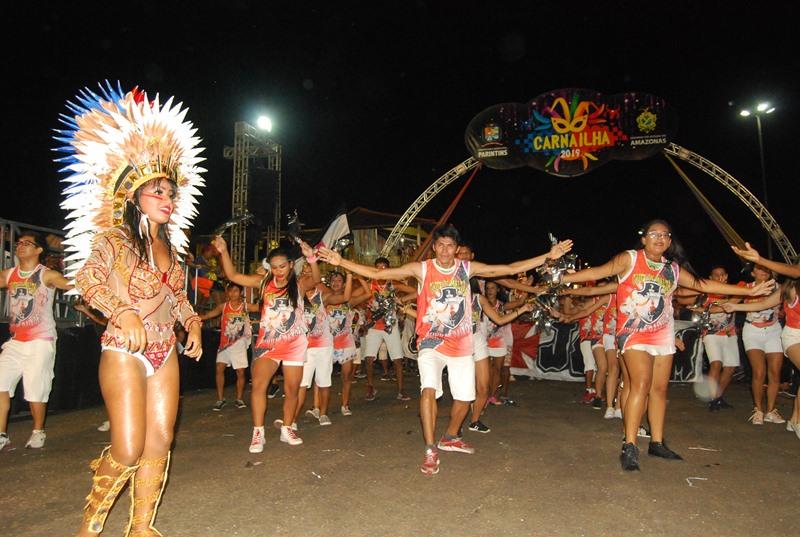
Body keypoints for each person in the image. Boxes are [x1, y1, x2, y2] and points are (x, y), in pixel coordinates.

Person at [60, 84, 205, 536]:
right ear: (133, 195)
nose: (169, 198)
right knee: (127, 446)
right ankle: (91, 524)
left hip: (166, 349)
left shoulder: (171, 248)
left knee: (159, 443)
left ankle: (140, 528)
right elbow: (85, 281)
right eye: (158, 191)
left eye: (171, 192)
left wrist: (194, 323)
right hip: (124, 348)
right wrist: (120, 311)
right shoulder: (114, 241)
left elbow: (177, 296)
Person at [319, 225, 573, 475]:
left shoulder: (466, 269)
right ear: (434, 247)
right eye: (440, 245)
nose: (444, 250)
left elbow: (508, 268)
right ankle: (430, 450)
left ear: (456, 249)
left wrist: (548, 256)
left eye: (450, 246)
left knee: (465, 398)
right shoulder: (423, 269)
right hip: (430, 342)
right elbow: (378, 275)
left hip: (461, 345)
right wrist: (341, 261)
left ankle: (450, 436)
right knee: (429, 389)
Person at [562, 219, 772, 471]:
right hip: (633, 332)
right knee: (640, 383)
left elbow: (700, 285)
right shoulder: (630, 259)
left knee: (660, 389)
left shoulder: (672, 269)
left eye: (665, 235)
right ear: (643, 238)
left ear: (670, 241)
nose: (659, 239)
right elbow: (599, 272)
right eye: (654, 234)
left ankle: (657, 442)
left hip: (662, 332)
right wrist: (565, 277)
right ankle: (629, 445)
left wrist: (749, 293)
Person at [212, 235, 319, 452]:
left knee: (292, 389)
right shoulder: (263, 283)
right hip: (268, 343)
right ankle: (258, 433)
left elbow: (315, 279)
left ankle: (287, 427)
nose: (279, 271)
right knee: (259, 386)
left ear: (291, 265)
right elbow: (233, 275)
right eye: (274, 267)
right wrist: (223, 252)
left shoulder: (298, 285)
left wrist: (312, 258)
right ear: (269, 267)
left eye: (283, 266)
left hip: (294, 344)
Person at [0, 231, 72, 451]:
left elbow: (68, 284)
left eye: (27, 243)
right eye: (19, 243)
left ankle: (38, 430)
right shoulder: (9, 274)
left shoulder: (46, 275)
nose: (20, 246)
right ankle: (2, 434)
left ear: (39, 250)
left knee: (35, 390)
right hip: (15, 341)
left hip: (40, 341)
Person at [728, 242, 800, 433]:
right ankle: (759, 409)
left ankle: (779, 413)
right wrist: (734, 307)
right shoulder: (787, 288)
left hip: (774, 330)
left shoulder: (777, 285)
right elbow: (761, 304)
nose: (764, 272)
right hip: (759, 332)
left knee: (774, 373)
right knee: (759, 371)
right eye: (759, 269)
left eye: (766, 269)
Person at [359, 257, 416, 402]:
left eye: (384, 267)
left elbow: (415, 291)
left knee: (397, 359)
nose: (381, 270)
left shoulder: (393, 283)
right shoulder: (369, 284)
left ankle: (401, 389)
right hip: (374, 326)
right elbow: (354, 297)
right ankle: (370, 387)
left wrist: (402, 300)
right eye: (378, 267)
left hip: (390, 325)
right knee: (369, 359)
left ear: (389, 269)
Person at [200, 282, 260, 411]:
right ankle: (220, 399)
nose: (233, 294)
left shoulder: (245, 306)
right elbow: (209, 315)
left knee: (240, 372)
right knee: (219, 369)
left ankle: (239, 399)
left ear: (241, 293)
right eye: (231, 291)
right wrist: (194, 319)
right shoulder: (223, 306)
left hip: (239, 344)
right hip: (224, 344)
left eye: (236, 291)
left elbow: (259, 307)